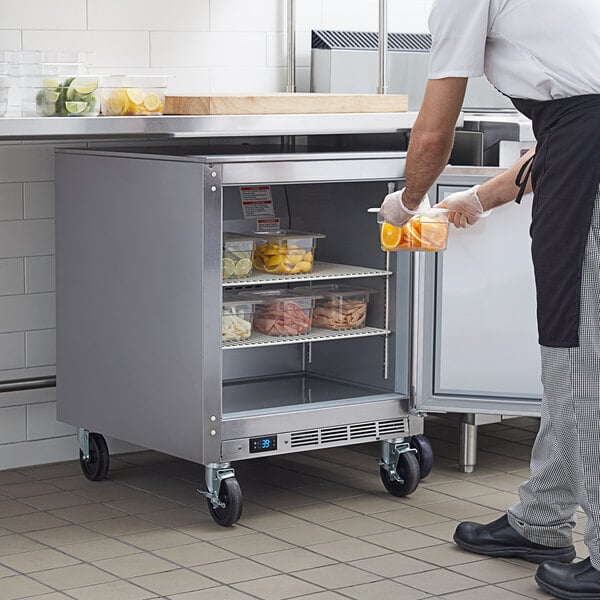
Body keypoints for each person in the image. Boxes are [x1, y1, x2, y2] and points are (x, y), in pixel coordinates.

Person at [379, 2, 600, 598]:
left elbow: (433, 132)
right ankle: (539, 521)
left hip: (587, 170)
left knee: (581, 362)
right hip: (578, 154)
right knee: (573, 357)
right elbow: (571, 129)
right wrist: (477, 199)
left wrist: (406, 204)